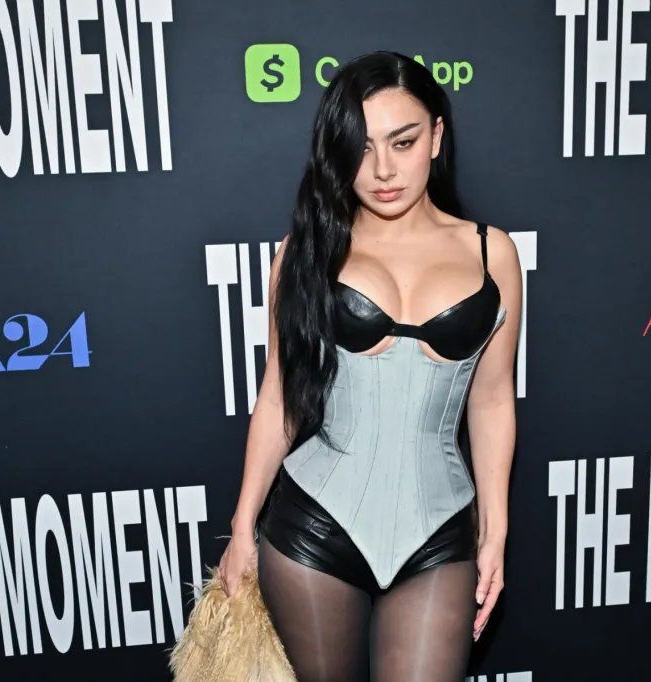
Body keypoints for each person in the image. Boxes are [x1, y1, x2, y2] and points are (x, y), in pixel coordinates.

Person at [217, 50, 521, 682]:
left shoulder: (493, 254)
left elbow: (492, 400)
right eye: (360, 148)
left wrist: (495, 531)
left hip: (438, 532)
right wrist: (243, 526)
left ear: (436, 136)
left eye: (402, 142)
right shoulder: (307, 252)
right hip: (313, 529)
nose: (383, 169)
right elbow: (279, 397)